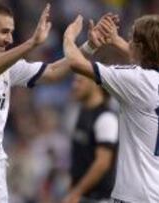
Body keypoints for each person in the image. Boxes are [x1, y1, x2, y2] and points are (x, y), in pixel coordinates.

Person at [0, 1, 114, 202]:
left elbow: (53, 72)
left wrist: (89, 46)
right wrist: (31, 43)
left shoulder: (6, 67)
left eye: (12, 32)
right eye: (4, 32)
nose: (9, 39)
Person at [63, 14, 159, 203]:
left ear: (141, 47)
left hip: (138, 195)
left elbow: (75, 63)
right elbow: (150, 59)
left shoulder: (135, 80)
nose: (129, 42)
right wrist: (115, 40)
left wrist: (69, 37)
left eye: (131, 39)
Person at [63, 74, 118, 203]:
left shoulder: (106, 118)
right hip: (82, 196)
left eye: (79, 81)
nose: (74, 86)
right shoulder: (81, 113)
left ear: (94, 84)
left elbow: (102, 163)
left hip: (100, 198)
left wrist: (76, 193)